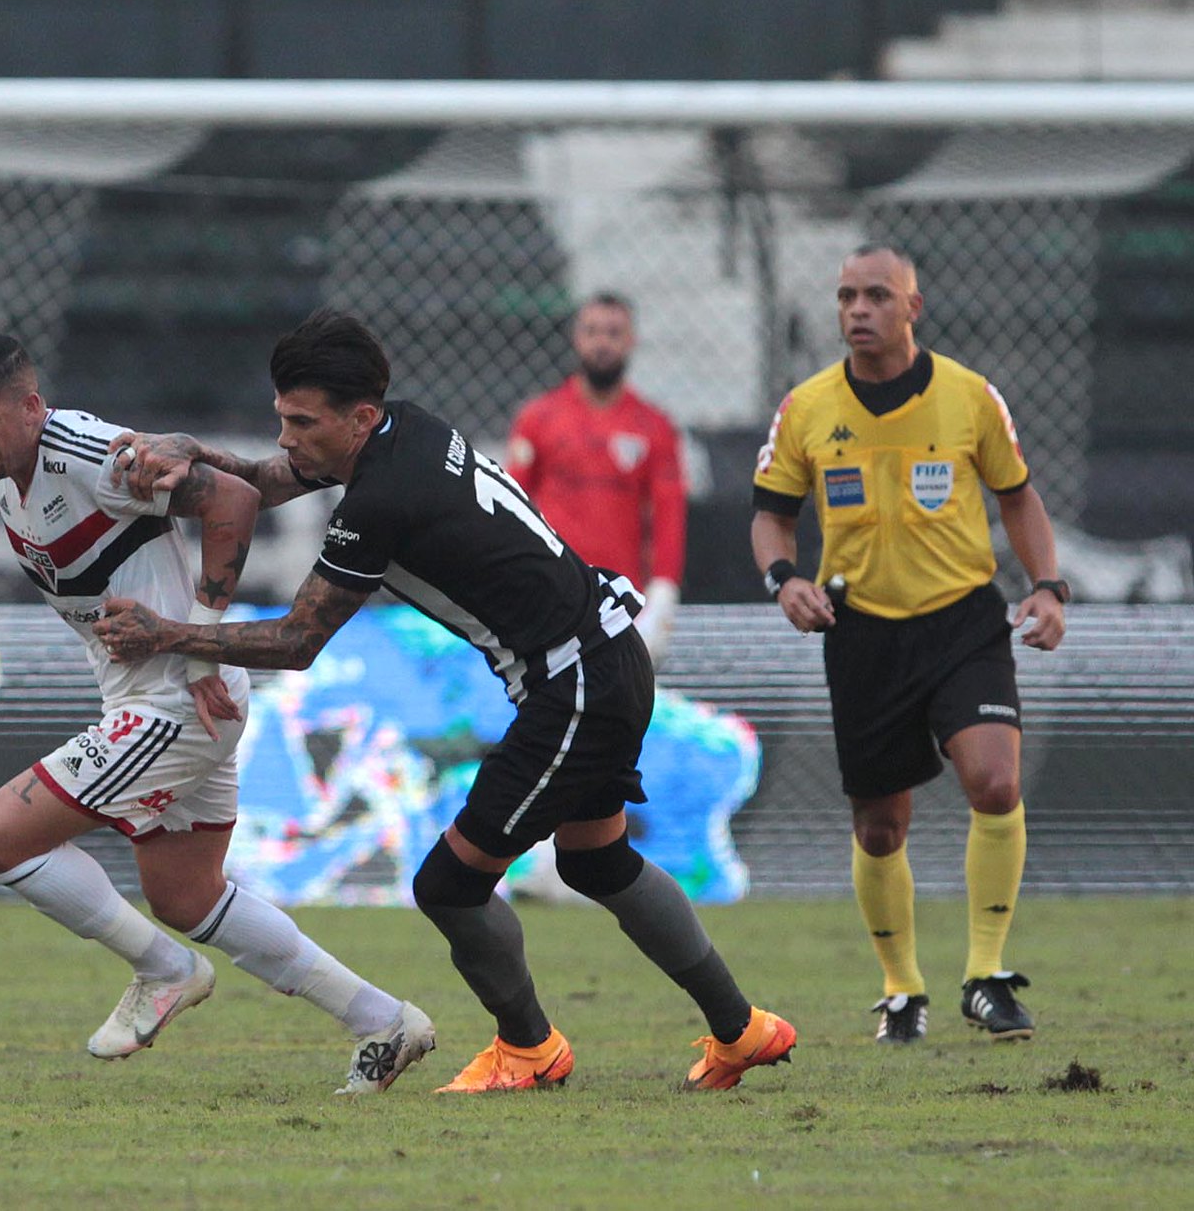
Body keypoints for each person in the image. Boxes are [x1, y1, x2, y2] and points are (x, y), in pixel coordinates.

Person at [95, 310, 796, 1093]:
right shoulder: (402, 433)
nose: (287, 437)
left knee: (449, 885)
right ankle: (744, 1031)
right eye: (280, 418)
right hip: (601, 662)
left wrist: (167, 633)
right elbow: (264, 479)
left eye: (301, 421)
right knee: (599, 861)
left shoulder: (380, 499)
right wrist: (194, 451)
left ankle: (531, 1048)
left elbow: (296, 642)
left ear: (358, 418)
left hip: (575, 685)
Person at [0, 333, 436, 1095]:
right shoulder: (11, 463)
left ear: (32, 406)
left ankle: (165, 970)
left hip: (179, 695)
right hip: (161, 696)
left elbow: (234, 499)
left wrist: (202, 646)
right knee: (187, 896)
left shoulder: (92, 453)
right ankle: (383, 1021)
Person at [752, 244, 1066, 1046]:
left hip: (962, 620)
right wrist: (785, 579)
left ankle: (987, 975)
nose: (859, 310)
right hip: (861, 633)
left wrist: (1048, 586)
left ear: (912, 309)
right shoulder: (808, 409)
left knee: (995, 782)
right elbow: (771, 515)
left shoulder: (968, 398)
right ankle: (902, 990)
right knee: (880, 828)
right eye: (847, 297)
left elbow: (1018, 499)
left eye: (878, 297)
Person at [506, 292, 686, 664]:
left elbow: (669, 514)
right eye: (592, 331)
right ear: (576, 337)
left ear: (631, 339)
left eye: (613, 332)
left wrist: (664, 594)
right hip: (549, 593)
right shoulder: (538, 418)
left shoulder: (656, 427)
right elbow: (511, 505)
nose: (602, 342)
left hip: (620, 601)